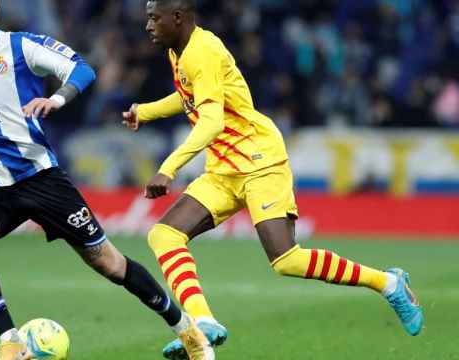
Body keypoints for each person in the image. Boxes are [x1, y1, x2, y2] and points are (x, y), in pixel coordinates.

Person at [0, 1, 214, 359]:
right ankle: (10, 340)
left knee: (110, 263)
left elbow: (81, 70)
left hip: (41, 179)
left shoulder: (22, 47)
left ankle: (187, 330)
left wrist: (56, 99)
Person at [122, 1, 424, 359]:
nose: (148, 26)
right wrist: (147, 111)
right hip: (223, 167)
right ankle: (202, 322)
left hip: (259, 160)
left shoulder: (201, 52)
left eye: (155, 18)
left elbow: (211, 122)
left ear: (178, 17)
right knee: (164, 234)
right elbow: (190, 97)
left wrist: (168, 168)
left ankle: (388, 283)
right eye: (147, 18)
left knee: (285, 260)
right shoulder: (182, 51)